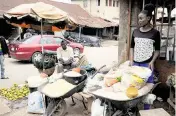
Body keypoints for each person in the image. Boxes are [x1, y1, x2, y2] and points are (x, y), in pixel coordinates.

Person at [130, 4, 161, 110]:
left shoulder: (155, 33)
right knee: (134, 85)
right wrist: (131, 61)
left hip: (147, 64)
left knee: (147, 87)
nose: (139, 21)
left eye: (141, 18)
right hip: (135, 63)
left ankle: (146, 109)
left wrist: (152, 61)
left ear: (148, 18)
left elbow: (157, 50)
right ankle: (133, 107)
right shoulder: (135, 32)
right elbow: (132, 47)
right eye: (138, 18)